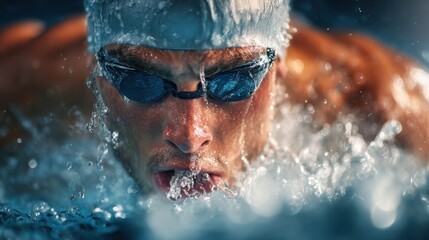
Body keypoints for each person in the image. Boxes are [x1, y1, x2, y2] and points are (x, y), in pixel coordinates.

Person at [1, 0, 428, 199]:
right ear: (97, 73)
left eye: (233, 81)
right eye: (139, 81)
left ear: (276, 70)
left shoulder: (379, 101)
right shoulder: (20, 87)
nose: (189, 136)